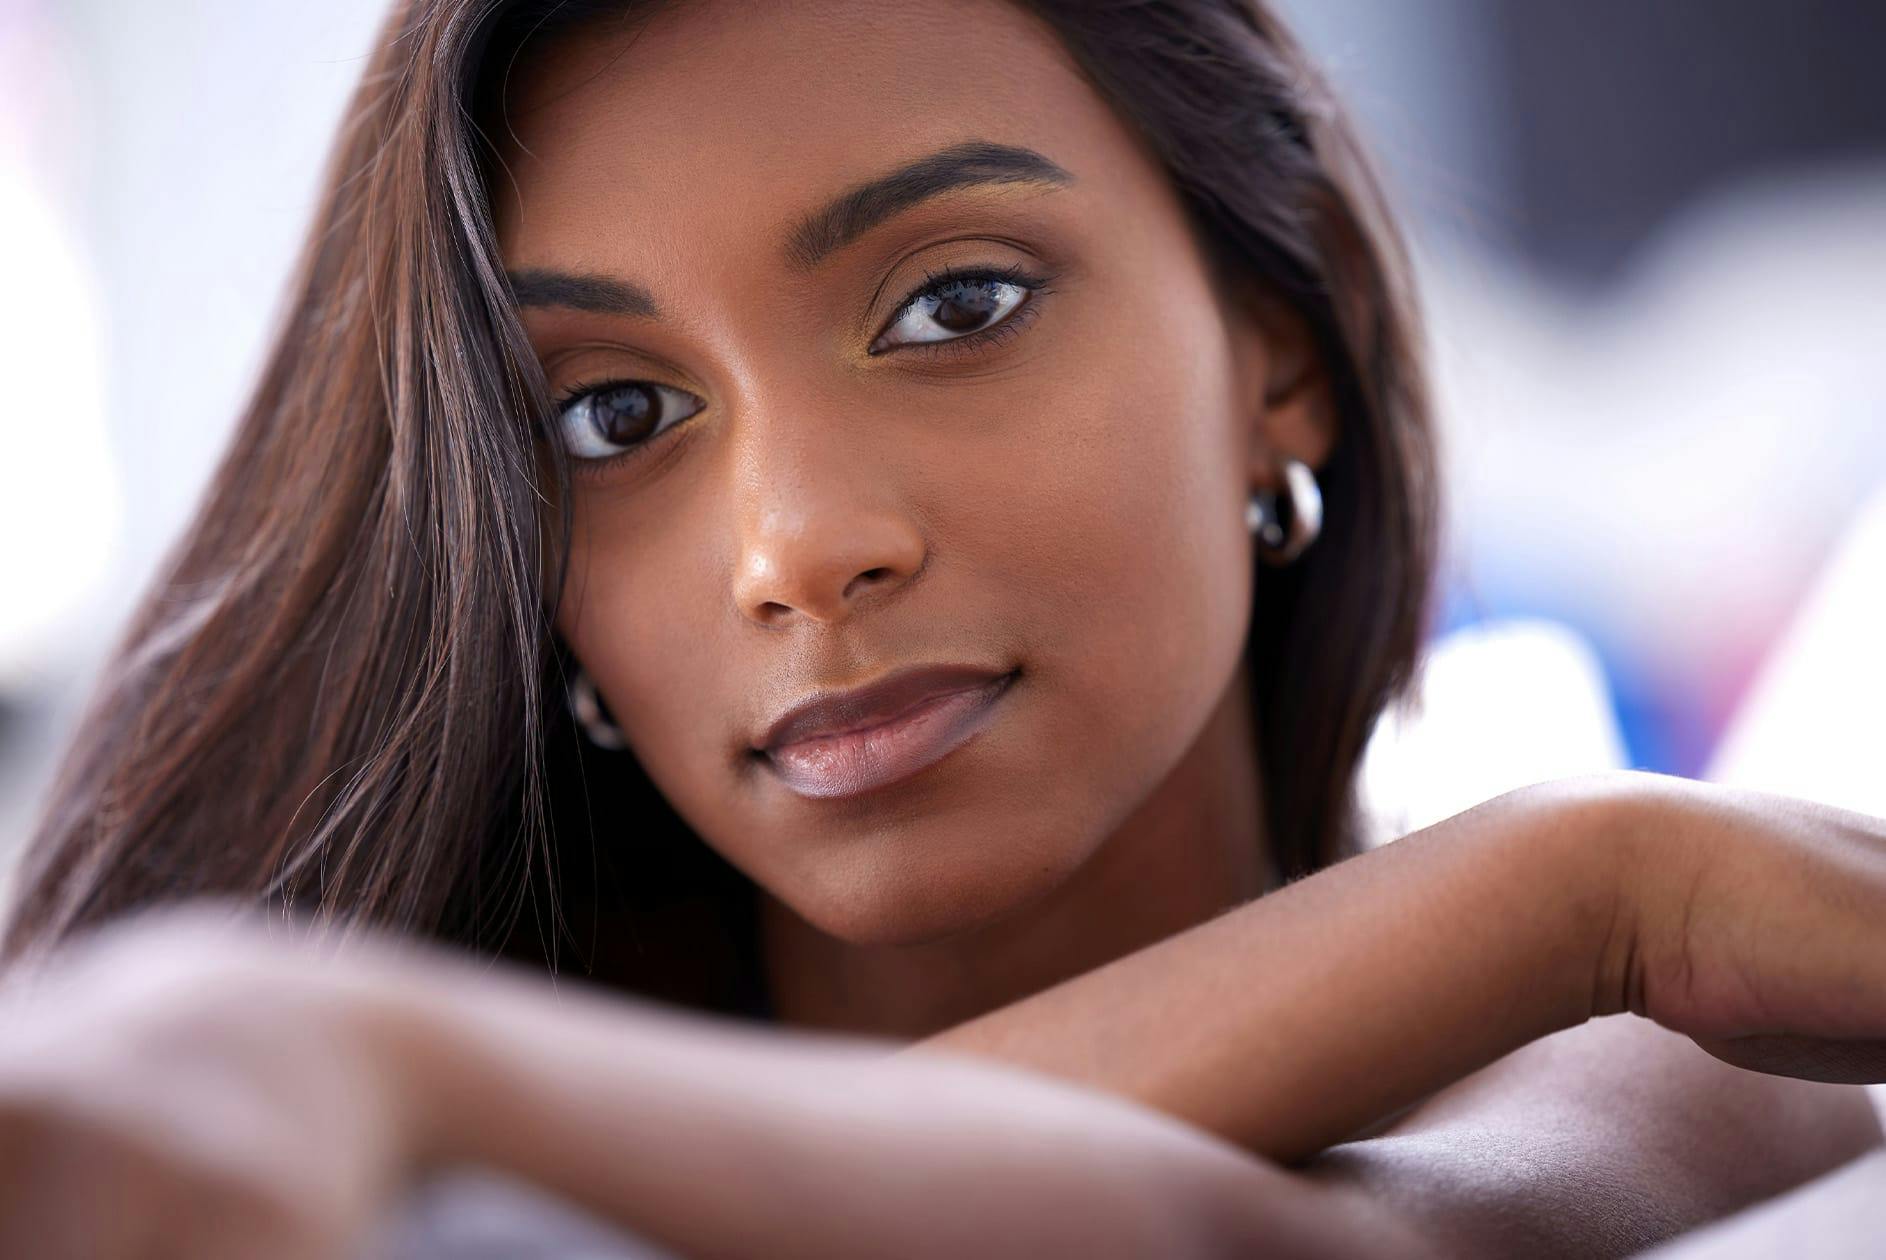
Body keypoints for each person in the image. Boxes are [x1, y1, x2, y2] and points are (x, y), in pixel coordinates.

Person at [1, 1, 1882, 1255]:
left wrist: (1597, 895)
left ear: (1279, 354)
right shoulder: (262, 1107)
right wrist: (1583, 884)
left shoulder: (1653, 1052)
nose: (799, 547)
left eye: (955, 303)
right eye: (612, 420)